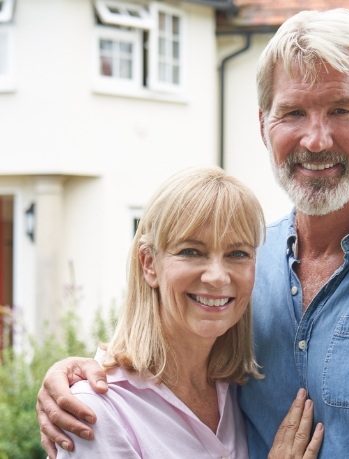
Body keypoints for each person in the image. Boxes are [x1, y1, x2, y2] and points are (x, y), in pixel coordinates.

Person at [38, 8, 349, 458]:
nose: (316, 140)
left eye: (341, 110)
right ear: (263, 126)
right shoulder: (247, 266)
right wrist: (80, 376)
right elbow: (168, 372)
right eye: (293, 112)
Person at [48, 166, 324, 458]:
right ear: (149, 264)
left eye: (237, 254)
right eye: (192, 251)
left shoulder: (237, 390)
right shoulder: (97, 409)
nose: (217, 276)